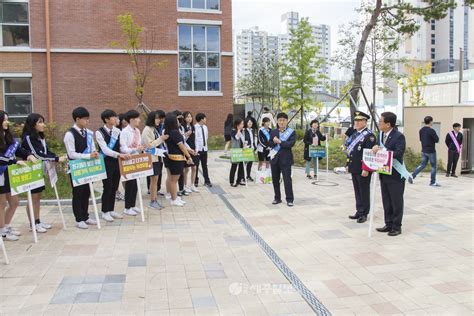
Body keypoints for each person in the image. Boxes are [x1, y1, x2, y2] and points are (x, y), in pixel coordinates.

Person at [22, 113, 65, 232]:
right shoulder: (28, 137)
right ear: (33, 124)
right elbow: (36, 154)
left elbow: (45, 151)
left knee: (37, 197)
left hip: (39, 170)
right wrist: (55, 159)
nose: (43, 125)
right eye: (40, 122)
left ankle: (37, 221)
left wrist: (56, 156)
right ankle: (32, 224)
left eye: (43, 122)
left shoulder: (40, 137)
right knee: (32, 197)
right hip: (32, 170)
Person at [0, 111, 37, 241]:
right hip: (1, 173)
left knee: (14, 202)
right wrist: (15, 161)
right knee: (2, 203)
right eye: (4, 119)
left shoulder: (9, 136)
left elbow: (18, 150)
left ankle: (6, 225)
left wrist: (28, 155)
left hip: (10, 173)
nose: (7, 122)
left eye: (7, 119)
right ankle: (2, 231)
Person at [63, 107, 99, 229]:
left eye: (88, 119)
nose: (87, 121)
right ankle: (79, 218)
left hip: (88, 167)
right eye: (85, 119)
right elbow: (71, 154)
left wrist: (94, 153)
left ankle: (85, 216)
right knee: (78, 193)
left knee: (87, 192)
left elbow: (92, 146)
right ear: (77, 119)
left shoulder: (88, 133)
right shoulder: (70, 134)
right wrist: (88, 155)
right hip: (76, 168)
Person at [373, 112, 407, 236]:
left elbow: (398, 153)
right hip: (384, 172)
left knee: (396, 201)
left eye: (381, 121)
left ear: (388, 124)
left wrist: (382, 150)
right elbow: (376, 149)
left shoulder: (399, 136)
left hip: (395, 174)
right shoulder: (380, 135)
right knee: (386, 200)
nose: (379, 123)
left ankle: (397, 226)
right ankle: (388, 224)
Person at [95, 110, 129, 222]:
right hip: (106, 162)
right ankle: (105, 211)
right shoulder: (99, 132)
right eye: (113, 117)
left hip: (116, 162)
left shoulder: (117, 131)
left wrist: (130, 151)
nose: (116, 119)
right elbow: (105, 149)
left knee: (114, 187)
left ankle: (111, 210)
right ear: (106, 119)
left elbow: (122, 146)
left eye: (115, 117)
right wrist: (119, 154)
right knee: (107, 187)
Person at [346, 112, 376, 223]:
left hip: (363, 168)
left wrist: (366, 169)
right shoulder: (355, 134)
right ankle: (359, 210)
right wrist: (348, 164)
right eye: (356, 121)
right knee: (357, 190)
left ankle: (364, 213)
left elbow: (370, 154)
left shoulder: (369, 136)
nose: (357, 123)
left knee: (364, 191)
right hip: (354, 167)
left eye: (360, 121)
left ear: (365, 122)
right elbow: (351, 151)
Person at [163, 112, 193, 207]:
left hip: (173, 158)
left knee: (173, 179)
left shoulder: (168, 132)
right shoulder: (174, 132)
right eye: (176, 119)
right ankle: (174, 199)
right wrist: (189, 156)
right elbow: (182, 146)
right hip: (176, 158)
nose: (178, 120)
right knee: (173, 180)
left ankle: (174, 196)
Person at [120, 110, 145, 216]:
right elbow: (123, 147)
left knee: (136, 183)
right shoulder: (124, 132)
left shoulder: (137, 131)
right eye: (137, 118)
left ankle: (133, 205)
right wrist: (134, 149)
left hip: (136, 160)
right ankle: (127, 207)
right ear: (131, 120)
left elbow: (139, 143)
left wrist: (140, 148)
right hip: (128, 160)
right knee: (130, 184)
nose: (139, 120)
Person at [142, 111, 168, 210]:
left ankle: (154, 199)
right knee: (154, 180)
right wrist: (161, 138)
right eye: (157, 118)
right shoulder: (147, 130)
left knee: (155, 180)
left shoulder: (154, 129)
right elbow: (149, 145)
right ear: (152, 119)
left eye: (159, 118)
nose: (159, 120)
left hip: (157, 157)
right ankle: (153, 201)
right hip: (151, 158)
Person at [269, 112, 296, 207]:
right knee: (275, 180)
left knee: (287, 180)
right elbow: (270, 144)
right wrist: (273, 142)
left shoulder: (291, 132)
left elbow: (290, 144)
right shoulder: (273, 132)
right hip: (275, 159)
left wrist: (280, 141)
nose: (281, 122)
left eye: (283, 120)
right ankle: (277, 198)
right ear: (277, 121)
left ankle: (290, 199)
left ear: (287, 121)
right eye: (280, 120)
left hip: (286, 160)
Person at [412, 116, 440, 186]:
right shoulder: (431, 130)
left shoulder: (421, 130)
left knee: (422, 165)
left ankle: (412, 176)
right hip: (431, 151)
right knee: (433, 166)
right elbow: (437, 140)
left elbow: (421, 139)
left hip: (423, 150)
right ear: (430, 122)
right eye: (432, 121)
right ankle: (432, 182)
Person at [182, 111, 199, 193]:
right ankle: (185, 185)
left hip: (193, 149)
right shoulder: (182, 127)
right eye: (187, 117)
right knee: (186, 169)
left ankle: (192, 184)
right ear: (184, 118)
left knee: (194, 167)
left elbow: (195, 139)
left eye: (190, 116)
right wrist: (186, 134)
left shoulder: (193, 127)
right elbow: (181, 140)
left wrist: (196, 149)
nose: (189, 118)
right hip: (186, 150)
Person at [194, 113, 212, 187]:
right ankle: (195, 181)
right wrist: (196, 149)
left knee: (205, 165)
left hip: (204, 149)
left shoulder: (205, 127)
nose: (205, 120)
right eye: (205, 118)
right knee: (196, 166)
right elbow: (195, 139)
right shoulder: (194, 127)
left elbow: (206, 137)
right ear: (201, 119)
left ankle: (207, 180)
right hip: (198, 150)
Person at [229, 118, 245, 187]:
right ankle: (231, 181)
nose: (243, 125)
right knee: (234, 166)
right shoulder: (233, 131)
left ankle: (239, 180)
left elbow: (243, 140)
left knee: (241, 166)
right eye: (241, 124)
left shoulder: (242, 131)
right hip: (236, 151)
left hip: (242, 151)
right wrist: (238, 130)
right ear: (237, 125)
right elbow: (236, 138)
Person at [115, 113, 127, 201]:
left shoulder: (127, 130)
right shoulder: (117, 131)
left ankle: (126, 192)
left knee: (124, 175)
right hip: (117, 156)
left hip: (124, 156)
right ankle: (116, 192)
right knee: (118, 176)